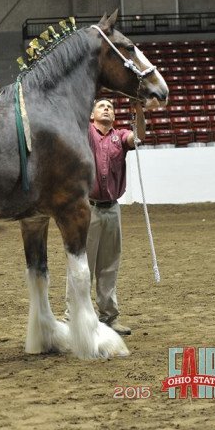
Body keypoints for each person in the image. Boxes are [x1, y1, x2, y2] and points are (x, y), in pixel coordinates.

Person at [68, 98, 145, 336]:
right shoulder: (85, 132)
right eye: (101, 106)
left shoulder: (120, 136)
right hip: (86, 209)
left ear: (114, 116)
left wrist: (139, 110)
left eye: (110, 107)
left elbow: (138, 137)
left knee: (109, 266)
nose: (106, 109)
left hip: (112, 209)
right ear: (92, 115)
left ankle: (109, 318)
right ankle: (73, 317)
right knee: (82, 266)